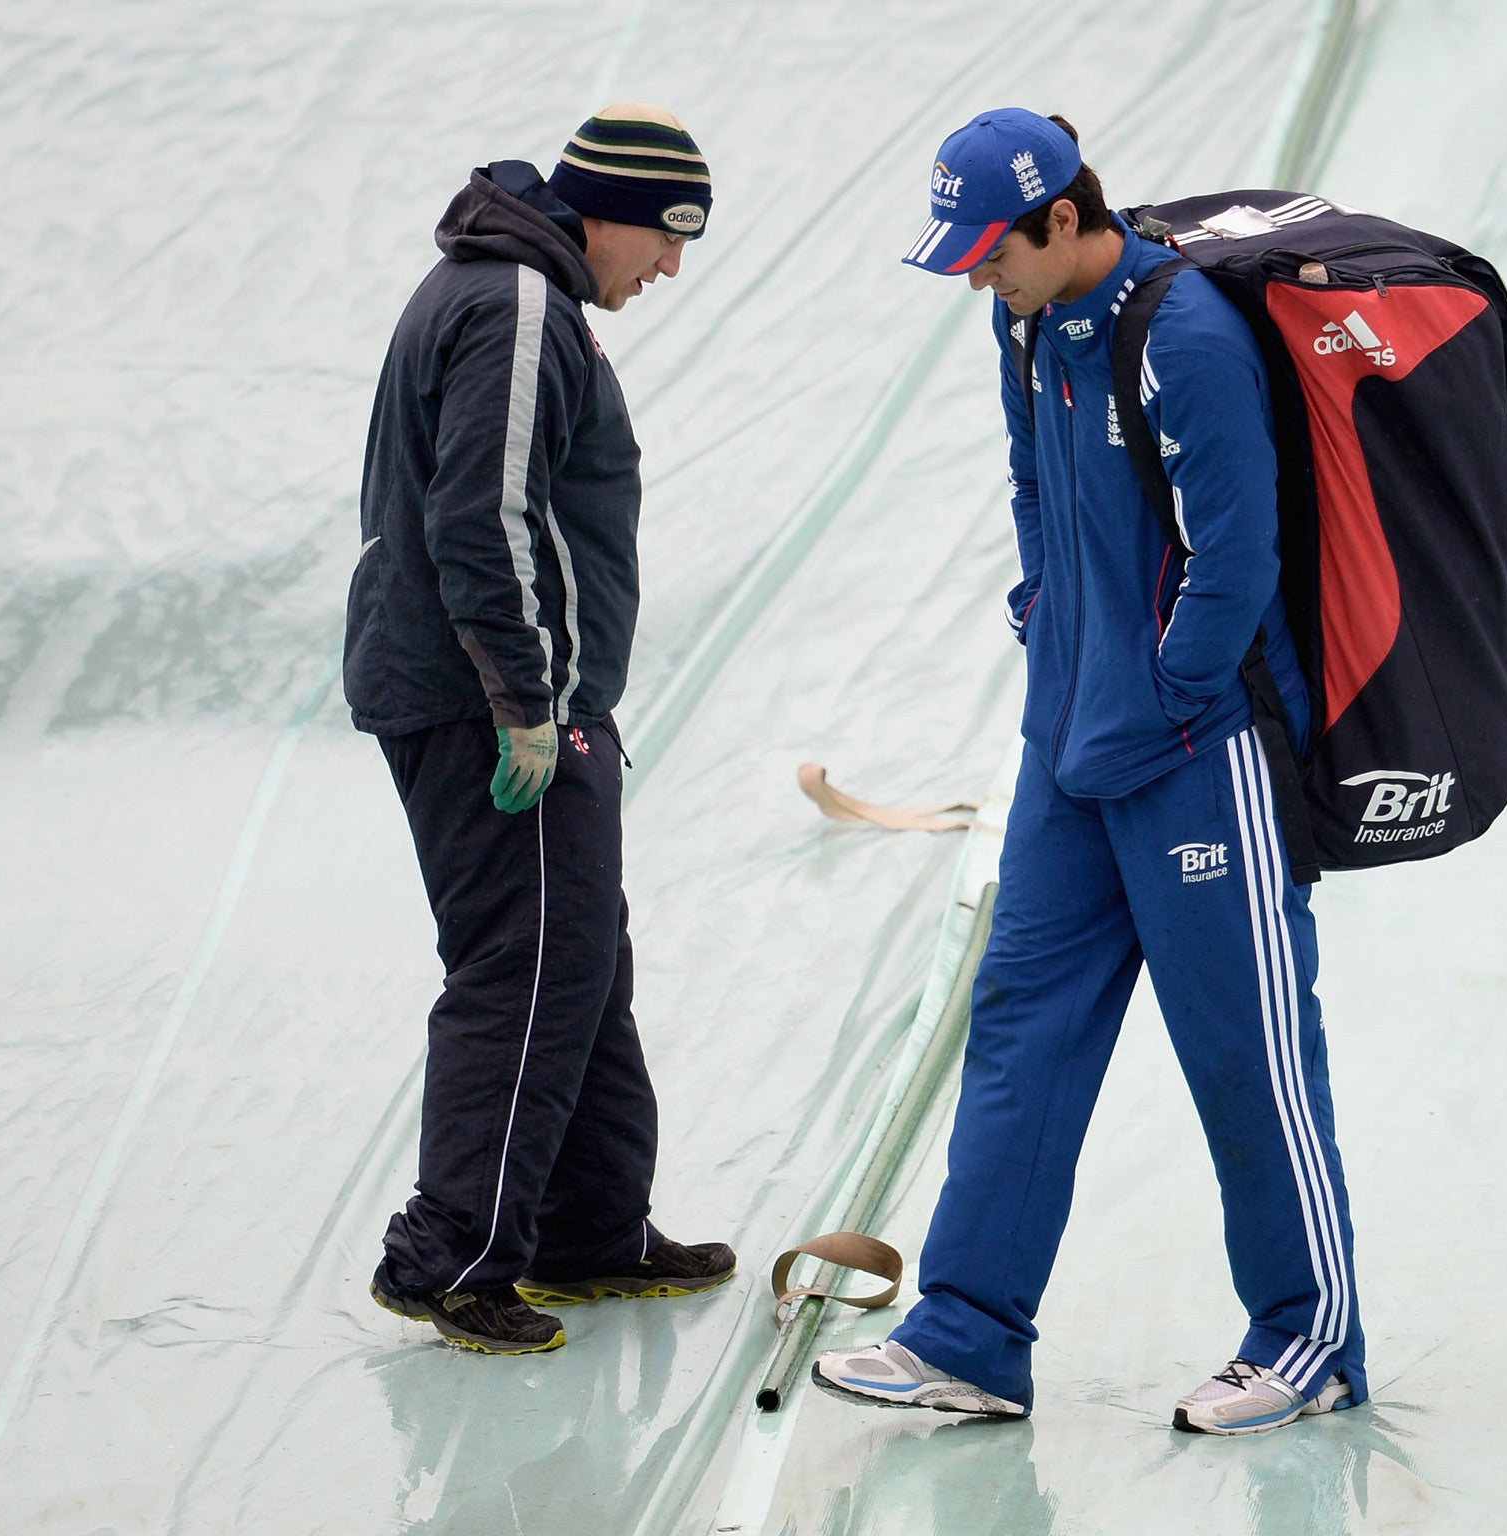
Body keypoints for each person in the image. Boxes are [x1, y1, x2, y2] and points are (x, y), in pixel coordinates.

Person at [814, 109, 1367, 1432]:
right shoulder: (1024, 323)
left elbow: (1241, 555)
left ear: (1065, 220)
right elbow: (1029, 483)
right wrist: (1048, 610)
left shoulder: (1183, 340)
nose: (971, 275)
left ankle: (1311, 1341)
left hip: (1196, 755)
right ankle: (968, 1335)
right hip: (1067, 744)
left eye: (988, 249)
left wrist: (1170, 690)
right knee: (1021, 1023)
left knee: (1245, 1050)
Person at [343, 103, 735, 1355]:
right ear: (608, 210)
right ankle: (447, 1258)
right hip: (492, 713)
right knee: (524, 974)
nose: (669, 268)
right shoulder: (515, 307)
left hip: (518, 703)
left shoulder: (515, 296)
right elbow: (484, 518)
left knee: (576, 961)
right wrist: (526, 703)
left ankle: (587, 1228)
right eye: (669, 238)